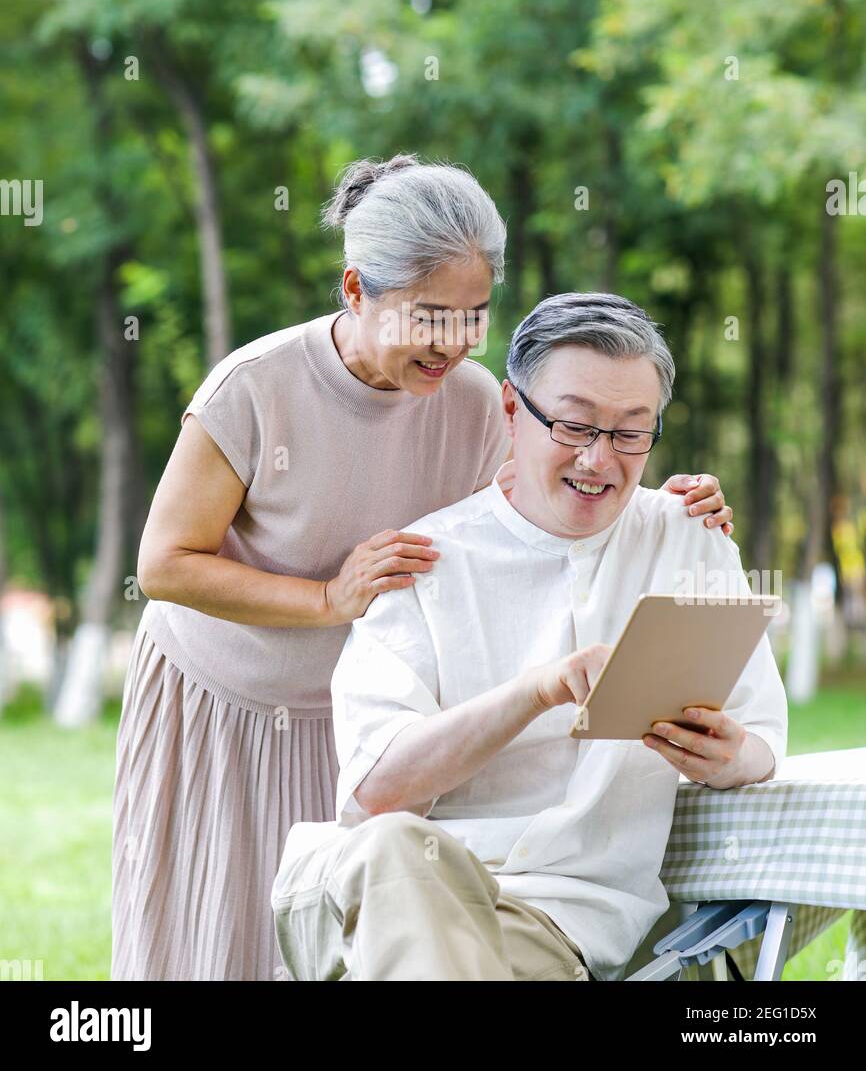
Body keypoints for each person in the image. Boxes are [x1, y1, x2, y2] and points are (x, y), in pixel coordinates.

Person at [112, 158, 733, 981]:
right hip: (226, 704)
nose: (454, 341)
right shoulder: (255, 389)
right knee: (210, 945)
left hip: (365, 727)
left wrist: (675, 501)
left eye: (473, 315)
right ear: (355, 289)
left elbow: (544, 500)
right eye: (429, 316)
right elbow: (163, 564)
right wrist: (331, 597)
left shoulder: (476, 401)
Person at [271, 292, 787, 983]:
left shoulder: (685, 538)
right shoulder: (425, 562)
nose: (600, 460)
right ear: (512, 410)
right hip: (392, 887)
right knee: (394, 845)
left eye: (632, 432)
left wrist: (723, 757)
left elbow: (762, 743)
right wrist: (537, 691)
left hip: (553, 923)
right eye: (575, 426)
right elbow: (374, 794)